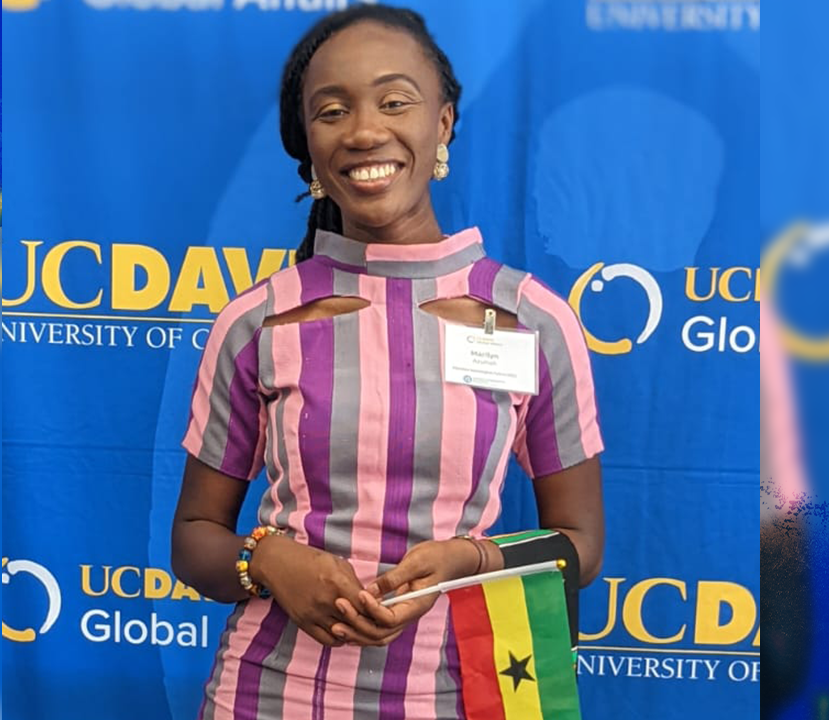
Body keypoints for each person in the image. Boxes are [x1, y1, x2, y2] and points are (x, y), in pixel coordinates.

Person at [171, 6, 605, 718]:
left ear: (442, 122)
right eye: (332, 110)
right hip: (266, 699)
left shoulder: (533, 320)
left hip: (463, 697)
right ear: (308, 146)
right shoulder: (257, 322)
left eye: (395, 101)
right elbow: (194, 544)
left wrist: (473, 561)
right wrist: (272, 561)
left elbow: (581, 548)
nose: (366, 130)